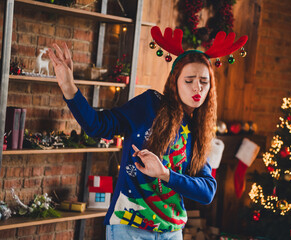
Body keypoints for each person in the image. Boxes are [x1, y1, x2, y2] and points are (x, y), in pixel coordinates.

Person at [47, 40, 218, 239]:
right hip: (129, 227)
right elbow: (97, 125)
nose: (197, 88)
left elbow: (207, 192)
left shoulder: (197, 129)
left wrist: (164, 174)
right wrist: (69, 87)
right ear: (175, 81)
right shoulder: (149, 105)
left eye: (204, 82)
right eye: (189, 80)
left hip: (171, 232)